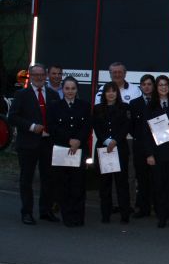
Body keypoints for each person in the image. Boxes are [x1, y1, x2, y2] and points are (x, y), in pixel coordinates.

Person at [8, 64, 61, 225]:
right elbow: (13, 117)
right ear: (30, 76)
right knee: (27, 179)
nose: (39, 77)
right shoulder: (22, 94)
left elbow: (57, 117)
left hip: (48, 143)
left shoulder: (52, 95)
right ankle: (27, 212)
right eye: (35, 75)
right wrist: (31, 127)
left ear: (46, 76)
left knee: (48, 179)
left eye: (41, 75)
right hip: (28, 143)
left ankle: (45, 211)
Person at [47, 77, 90, 227]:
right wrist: (69, 140)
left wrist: (78, 140)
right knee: (63, 184)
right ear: (63, 90)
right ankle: (67, 216)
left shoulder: (84, 106)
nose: (70, 91)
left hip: (79, 149)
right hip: (62, 149)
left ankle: (78, 216)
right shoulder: (54, 106)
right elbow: (52, 127)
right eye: (67, 88)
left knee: (78, 184)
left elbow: (86, 126)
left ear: (77, 90)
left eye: (73, 88)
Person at [142, 75, 169, 228]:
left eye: (166, 85)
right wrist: (149, 154)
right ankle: (161, 217)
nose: (163, 87)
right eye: (160, 85)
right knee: (159, 186)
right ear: (156, 88)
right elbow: (145, 133)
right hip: (157, 153)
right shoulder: (150, 107)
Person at [93, 81, 132, 224]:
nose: (111, 94)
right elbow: (97, 128)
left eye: (113, 91)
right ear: (104, 94)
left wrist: (115, 140)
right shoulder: (97, 109)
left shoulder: (125, 108)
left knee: (122, 183)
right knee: (105, 184)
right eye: (108, 91)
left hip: (120, 149)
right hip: (104, 149)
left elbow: (126, 126)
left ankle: (124, 214)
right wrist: (106, 141)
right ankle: (105, 214)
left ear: (117, 93)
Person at [130, 75, 155, 218]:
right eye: (144, 84)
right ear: (140, 86)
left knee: (156, 178)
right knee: (142, 178)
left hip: (156, 146)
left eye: (149, 84)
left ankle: (157, 206)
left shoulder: (158, 103)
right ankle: (143, 208)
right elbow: (131, 126)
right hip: (139, 147)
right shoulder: (134, 104)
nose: (146, 87)